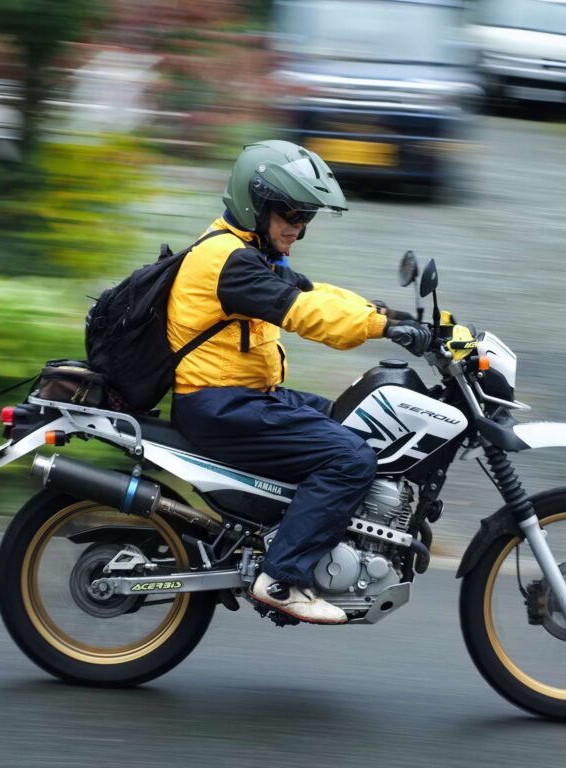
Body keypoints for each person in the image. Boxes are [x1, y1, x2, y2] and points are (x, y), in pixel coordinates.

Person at [167, 140, 431, 624]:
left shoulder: (249, 251)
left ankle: (303, 535)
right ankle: (282, 576)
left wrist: (394, 317)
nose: (298, 226)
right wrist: (383, 329)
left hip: (244, 394)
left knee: (352, 420)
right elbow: (304, 312)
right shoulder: (228, 260)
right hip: (220, 405)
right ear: (255, 203)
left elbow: (315, 292)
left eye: (305, 216)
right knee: (350, 458)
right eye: (290, 212)